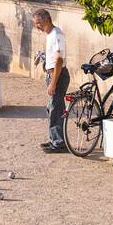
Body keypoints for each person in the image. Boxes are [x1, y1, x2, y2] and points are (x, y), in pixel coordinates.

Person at [33, 8, 68, 153]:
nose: (37, 26)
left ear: (46, 19)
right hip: (53, 74)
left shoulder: (56, 34)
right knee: (53, 107)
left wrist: (53, 82)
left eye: (38, 23)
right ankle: (55, 139)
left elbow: (59, 59)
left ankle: (58, 142)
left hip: (58, 76)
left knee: (55, 108)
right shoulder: (51, 35)